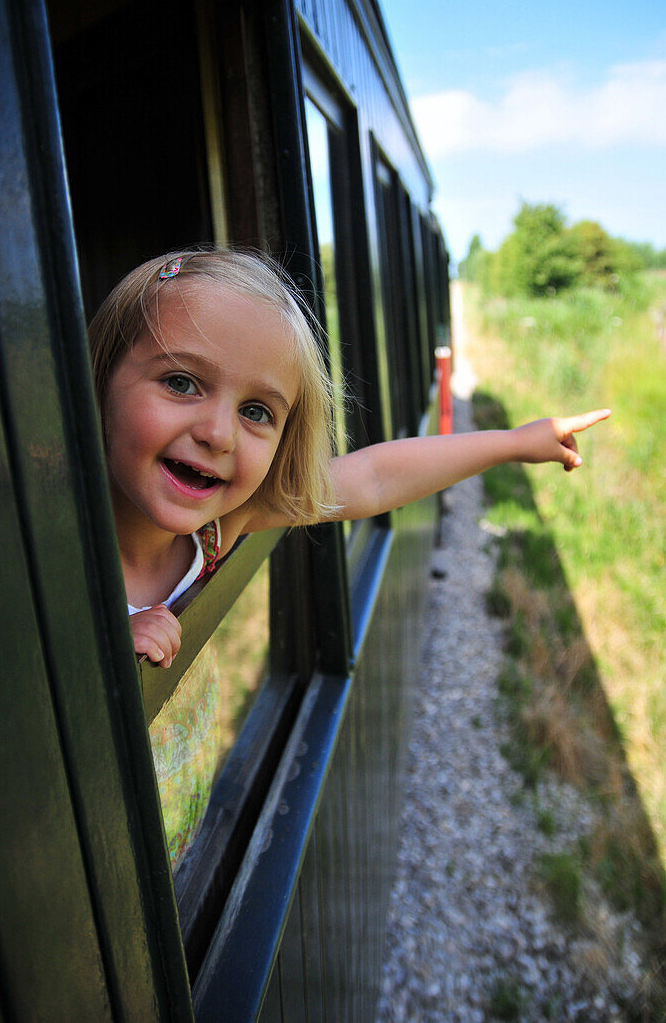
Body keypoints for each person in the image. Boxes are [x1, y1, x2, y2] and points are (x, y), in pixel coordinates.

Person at [89, 247, 610, 866]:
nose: (219, 434)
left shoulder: (217, 530)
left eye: (257, 411)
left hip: (166, 848)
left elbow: (373, 481)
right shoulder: (51, 546)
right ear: (97, 378)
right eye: (181, 382)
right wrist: (95, 645)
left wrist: (511, 443)